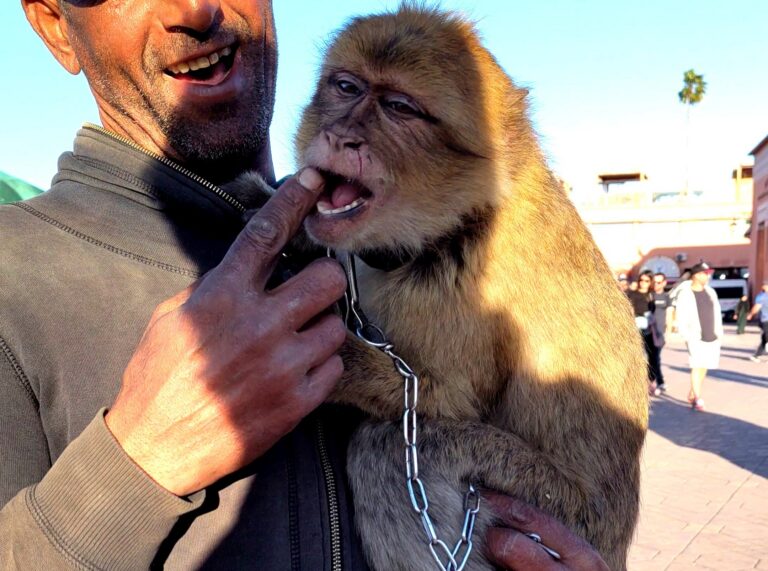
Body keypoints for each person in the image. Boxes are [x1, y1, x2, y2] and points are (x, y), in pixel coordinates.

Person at [0, 1, 608, 569]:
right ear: (55, 23)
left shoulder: (392, 230)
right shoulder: (17, 275)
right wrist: (135, 465)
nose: (196, 10)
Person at [673, 262, 723, 411]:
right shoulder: (685, 293)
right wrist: (686, 334)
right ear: (696, 275)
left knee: (704, 365)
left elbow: (716, 312)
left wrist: (719, 332)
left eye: (707, 273)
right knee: (696, 364)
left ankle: (693, 392)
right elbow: (680, 314)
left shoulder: (710, 291)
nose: (707, 276)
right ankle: (697, 398)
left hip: (712, 334)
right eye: (704, 273)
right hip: (695, 336)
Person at [626, 271, 664, 396]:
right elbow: (629, 310)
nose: (643, 283)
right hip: (635, 330)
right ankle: (636, 384)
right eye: (641, 280)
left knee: (653, 358)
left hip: (650, 329)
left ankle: (651, 383)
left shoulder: (651, 295)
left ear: (650, 282)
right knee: (638, 358)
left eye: (647, 281)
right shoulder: (632, 294)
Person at [650, 272, 671, 392]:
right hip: (648, 332)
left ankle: (655, 382)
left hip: (660, 333)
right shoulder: (650, 296)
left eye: (659, 282)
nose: (656, 284)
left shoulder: (666, 297)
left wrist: (669, 333)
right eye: (654, 282)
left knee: (655, 358)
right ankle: (658, 382)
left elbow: (670, 314)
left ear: (664, 283)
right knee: (653, 358)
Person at [747, 281, 768, 362]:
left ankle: (756, 355)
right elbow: (757, 307)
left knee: (764, 339)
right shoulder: (762, 296)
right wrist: (751, 314)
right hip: (765, 320)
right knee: (766, 337)